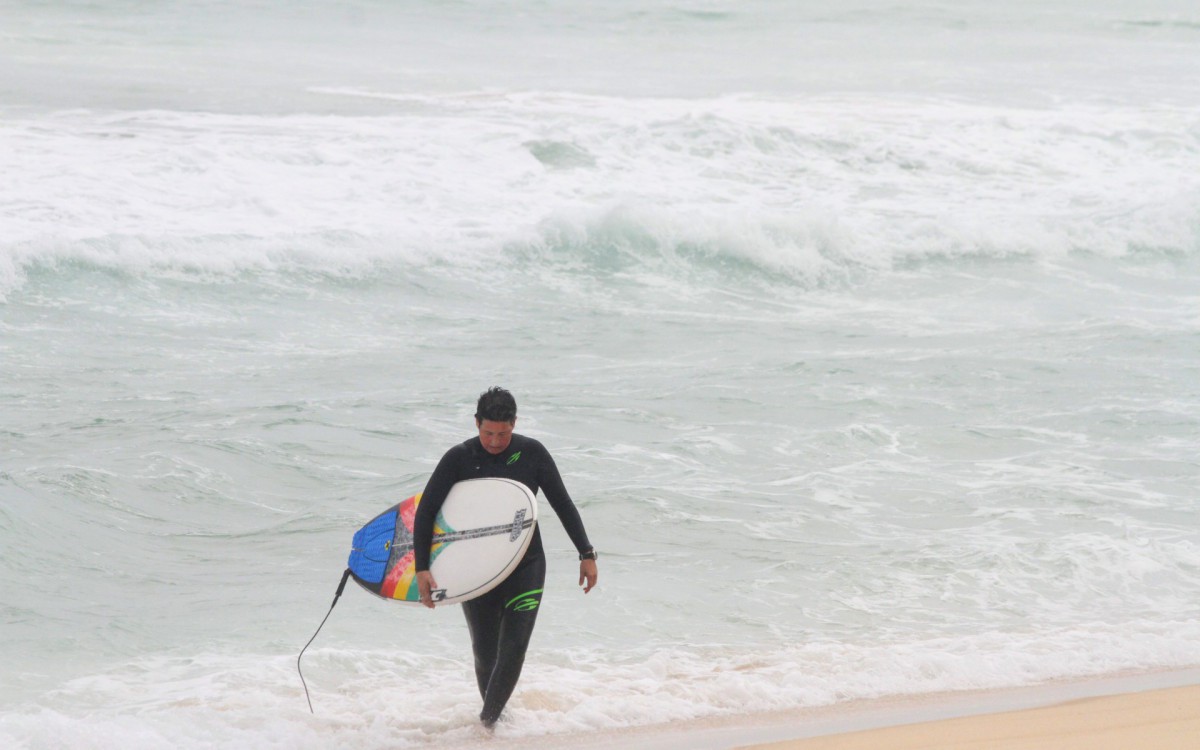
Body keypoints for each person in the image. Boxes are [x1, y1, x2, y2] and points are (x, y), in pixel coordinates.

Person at [413, 386, 598, 729]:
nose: (495, 441)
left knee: (513, 649)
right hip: (477, 568)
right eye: (487, 433)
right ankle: (497, 722)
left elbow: (562, 503)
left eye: (503, 433)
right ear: (476, 423)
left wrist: (586, 553)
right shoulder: (459, 458)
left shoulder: (533, 454)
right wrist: (422, 568)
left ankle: (486, 725)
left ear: (514, 423)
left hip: (525, 564)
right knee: (485, 656)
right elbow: (426, 513)